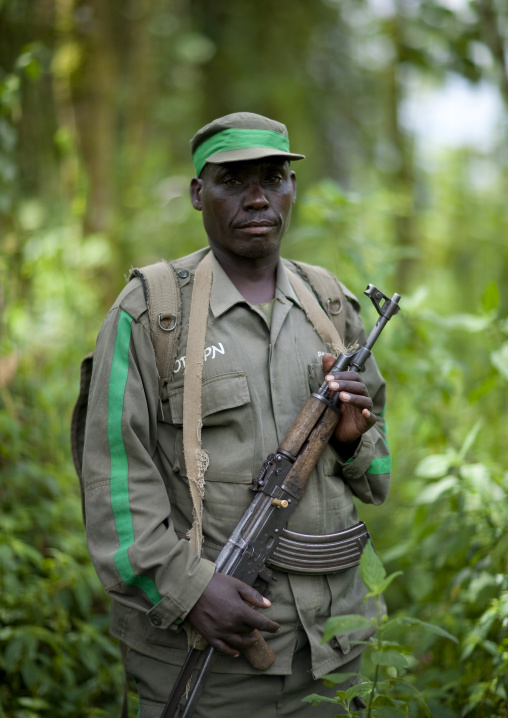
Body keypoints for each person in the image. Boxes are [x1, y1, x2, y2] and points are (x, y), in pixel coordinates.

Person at [82, 112, 391, 717]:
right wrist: (191, 592)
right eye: (233, 180)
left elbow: (378, 475)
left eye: (273, 178)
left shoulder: (331, 305)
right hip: (206, 659)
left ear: (292, 189)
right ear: (199, 192)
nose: (257, 198)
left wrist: (356, 443)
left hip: (335, 653)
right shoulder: (152, 313)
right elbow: (114, 486)